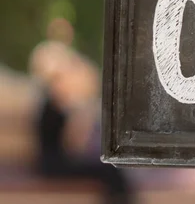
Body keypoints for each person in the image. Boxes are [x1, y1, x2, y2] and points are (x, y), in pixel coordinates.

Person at [29, 38, 134, 204]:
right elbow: (74, 146)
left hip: (54, 164)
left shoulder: (51, 102)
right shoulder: (56, 104)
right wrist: (82, 115)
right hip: (54, 166)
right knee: (109, 170)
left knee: (111, 170)